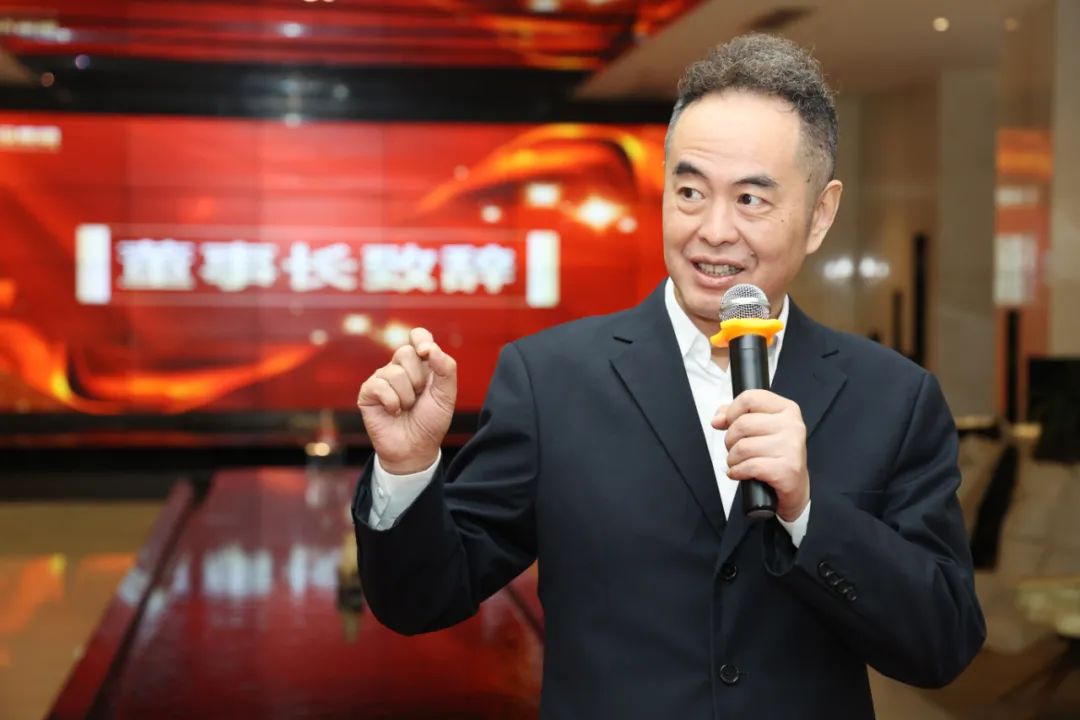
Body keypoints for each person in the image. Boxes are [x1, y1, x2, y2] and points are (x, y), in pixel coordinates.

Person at [353, 33, 985, 719]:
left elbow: (942, 644)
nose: (713, 230)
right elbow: (422, 599)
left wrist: (808, 513)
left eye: (751, 199)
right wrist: (407, 469)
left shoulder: (894, 398)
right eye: (689, 192)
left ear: (819, 215)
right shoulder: (551, 380)